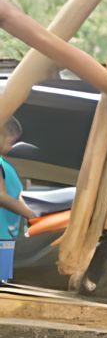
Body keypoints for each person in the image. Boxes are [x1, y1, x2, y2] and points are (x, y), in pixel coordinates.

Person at [0, 116, 34, 284]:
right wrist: (31, 214)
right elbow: (1, 196)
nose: (11, 146)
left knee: (2, 282)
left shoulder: (5, 165)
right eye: (10, 141)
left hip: (7, 234)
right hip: (1, 234)